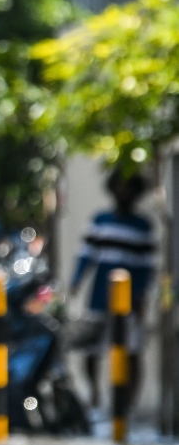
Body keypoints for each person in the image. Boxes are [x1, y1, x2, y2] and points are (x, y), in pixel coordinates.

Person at [71, 170, 156, 407]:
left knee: (131, 351)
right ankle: (95, 394)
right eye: (119, 186)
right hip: (99, 295)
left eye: (128, 187)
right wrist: (76, 281)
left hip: (130, 299)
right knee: (92, 349)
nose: (123, 191)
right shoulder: (101, 220)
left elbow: (148, 267)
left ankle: (126, 404)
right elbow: (86, 255)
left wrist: (141, 297)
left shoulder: (142, 226)